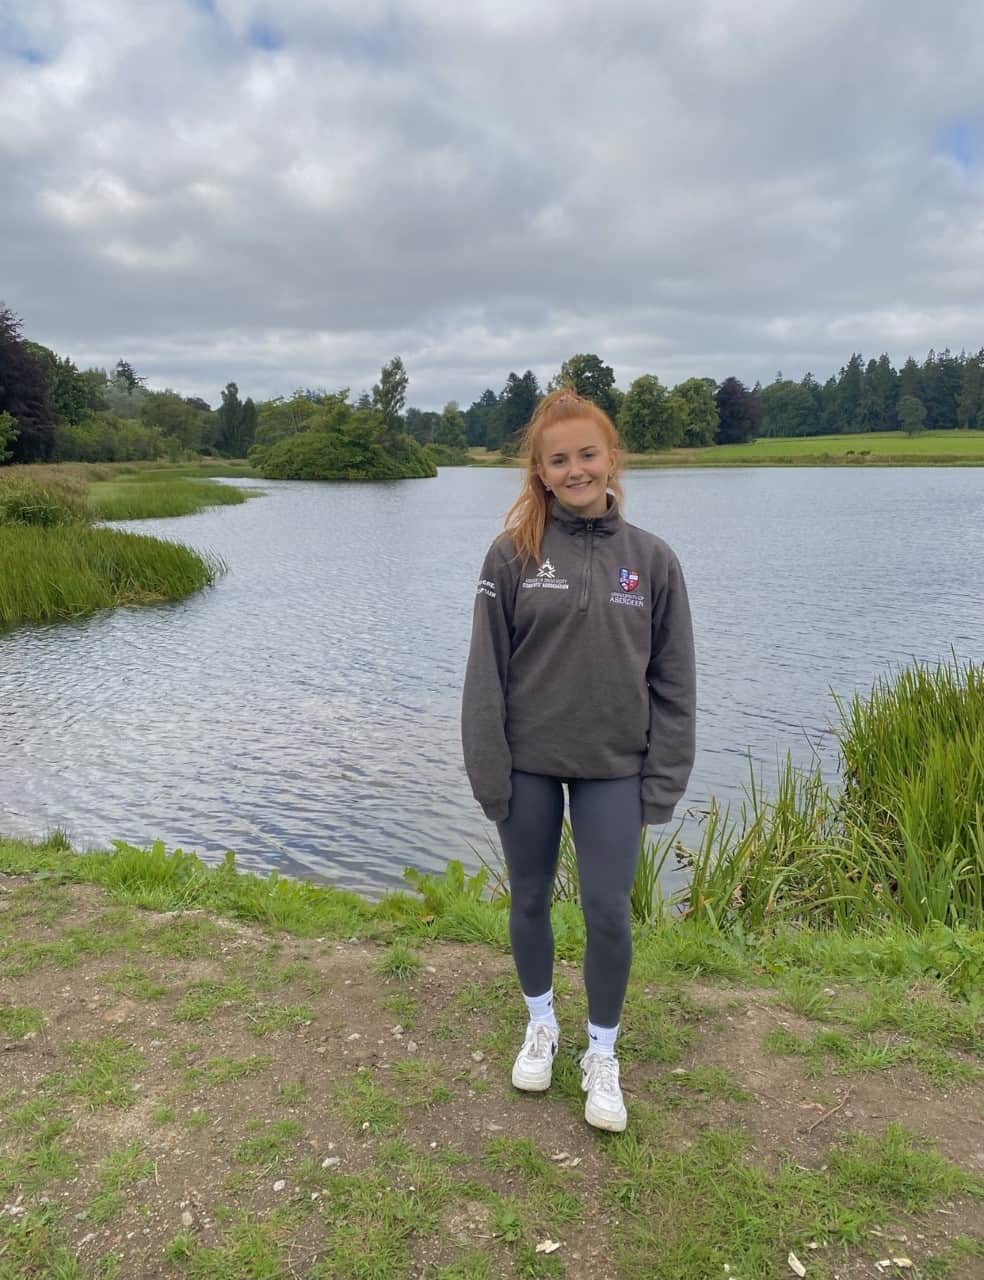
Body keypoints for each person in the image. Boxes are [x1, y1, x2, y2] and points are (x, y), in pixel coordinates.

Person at [461, 387, 696, 1132]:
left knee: (606, 913)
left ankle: (602, 1051)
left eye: (587, 454)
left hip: (614, 769)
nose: (575, 469)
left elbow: (674, 681)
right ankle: (541, 1024)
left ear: (611, 458)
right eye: (558, 459)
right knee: (528, 898)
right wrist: (488, 769)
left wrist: (661, 782)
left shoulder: (652, 561)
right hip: (528, 763)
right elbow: (485, 673)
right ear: (539, 469)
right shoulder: (511, 557)